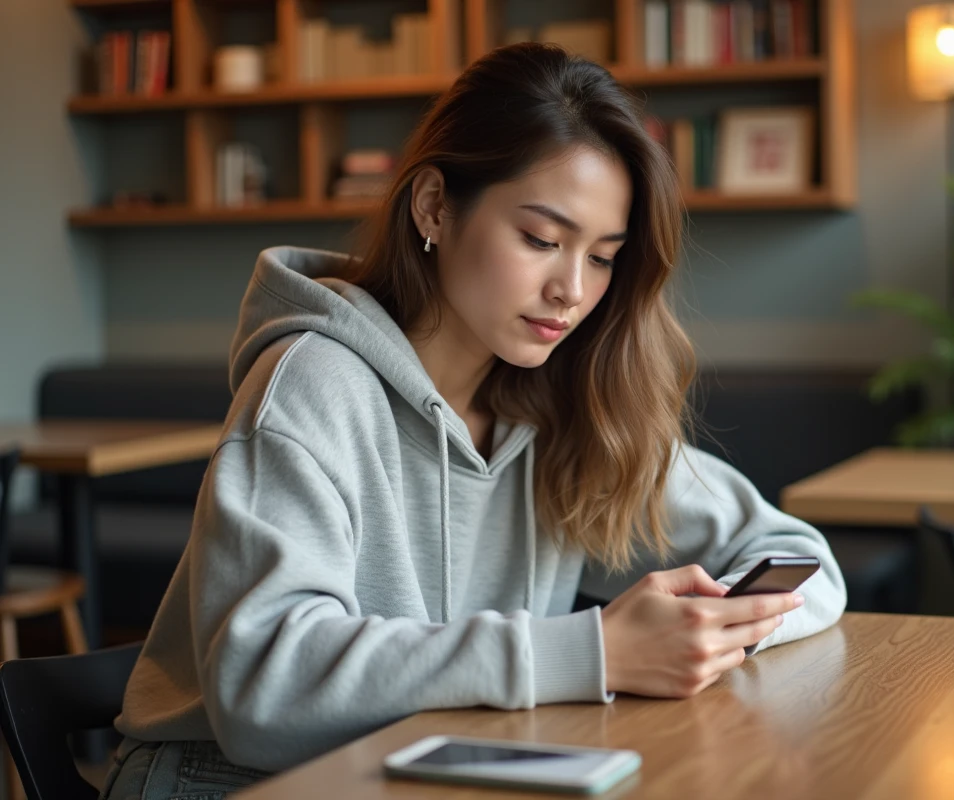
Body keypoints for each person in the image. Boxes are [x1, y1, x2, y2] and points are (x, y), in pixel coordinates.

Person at [99, 42, 846, 800]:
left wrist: (709, 637)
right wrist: (591, 652)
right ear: (433, 205)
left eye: (603, 257)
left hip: (434, 767)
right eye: (541, 240)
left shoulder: (563, 406)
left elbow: (799, 558)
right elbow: (262, 688)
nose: (571, 291)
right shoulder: (313, 383)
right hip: (224, 779)